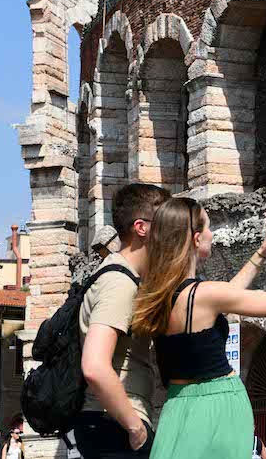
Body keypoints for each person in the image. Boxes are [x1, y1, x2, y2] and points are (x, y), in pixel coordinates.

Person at [133, 198, 266, 457]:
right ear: (196, 238)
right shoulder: (203, 294)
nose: (213, 234)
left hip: (177, 404)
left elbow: (228, 293)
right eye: (209, 228)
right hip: (219, 404)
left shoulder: (158, 295)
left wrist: (263, 251)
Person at [76, 182, 171, 458]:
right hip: (114, 426)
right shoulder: (119, 282)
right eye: (165, 223)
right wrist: (135, 428)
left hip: (112, 423)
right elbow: (94, 366)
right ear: (141, 228)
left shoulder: (122, 276)